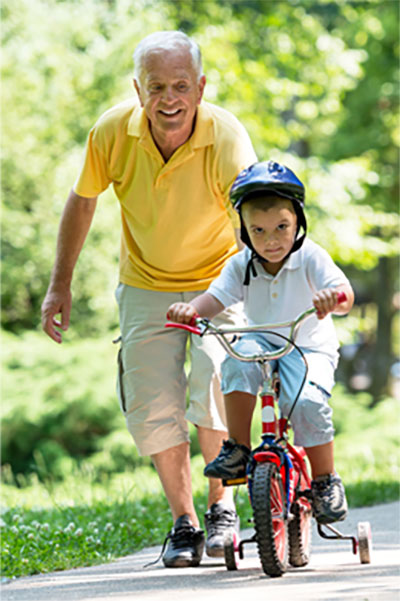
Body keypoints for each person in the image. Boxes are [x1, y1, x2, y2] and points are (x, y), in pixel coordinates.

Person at [41, 30, 257, 567]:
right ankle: (184, 522)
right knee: (152, 403)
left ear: (201, 87)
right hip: (145, 283)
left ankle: (220, 509)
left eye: (181, 85)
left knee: (215, 384)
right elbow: (83, 200)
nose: (169, 98)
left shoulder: (226, 137)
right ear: (139, 90)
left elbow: (254, 218)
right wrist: (59, 283)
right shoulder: (114, 131)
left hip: (218, 283)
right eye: (156, 86)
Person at [166, 160, 355, 525]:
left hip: (308, 347)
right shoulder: (241, 266)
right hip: (260, 344)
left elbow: (344, 293)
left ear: (298, 222)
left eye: (282, 227)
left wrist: (334, 298)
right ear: (245, 231)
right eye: (259, 230)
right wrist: (191, 310)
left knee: (310, 402)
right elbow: (216, 298)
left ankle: (324, 479)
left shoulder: (310, 256)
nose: (271, 240)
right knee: (235, 361)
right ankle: (237, 447)